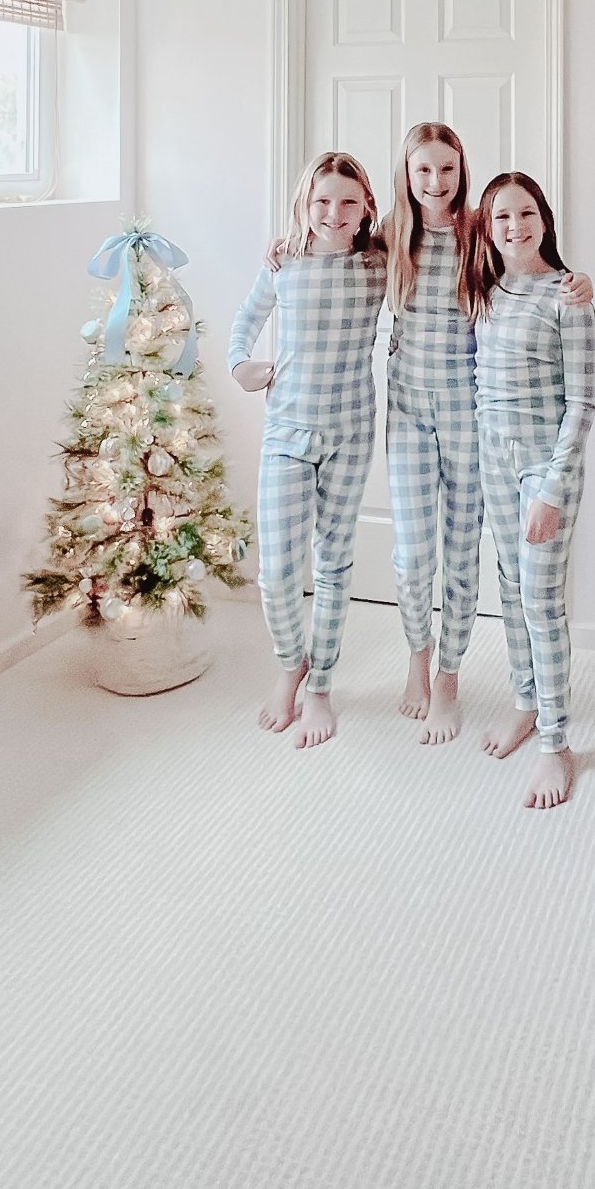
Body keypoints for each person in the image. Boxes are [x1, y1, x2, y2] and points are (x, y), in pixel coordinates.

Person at [383, 124, 593, 745]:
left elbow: (579, 393)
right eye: (423, 170)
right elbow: (332, 237)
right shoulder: (396, 235)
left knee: (504, 577)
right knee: (426, 556)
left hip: (484, 429)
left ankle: (466, 685)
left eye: (447, 169)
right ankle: (427, 663)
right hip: (422, 416)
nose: (435, 182)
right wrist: (287, 246)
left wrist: (580, 283)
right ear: (407, 172)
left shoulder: (480, 231)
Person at [230, 151, 385, 749]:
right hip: (288, 430)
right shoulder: (284, 264)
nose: (334, 212)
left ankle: (320, 683)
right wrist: (242, 366)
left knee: (334, 563)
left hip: (351, 431)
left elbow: (434, 234)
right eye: (322, 201)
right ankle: (289, 663)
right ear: (304, 204)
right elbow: (244, 324)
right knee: (276, 573)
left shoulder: (377, 265)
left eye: (349, 201)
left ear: (366, 206)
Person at [469, 172, 595, 809]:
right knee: (511, 590)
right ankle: (525, 700)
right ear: (486, 230)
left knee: (542, 602)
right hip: (493, 460)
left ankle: (557, 744)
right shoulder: (487, 290)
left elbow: (583, 404)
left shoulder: (567, 297)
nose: (513, 227)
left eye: (524, 214)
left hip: (544, 469)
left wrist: (551, 488)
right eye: (500, 218)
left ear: (544, 218)